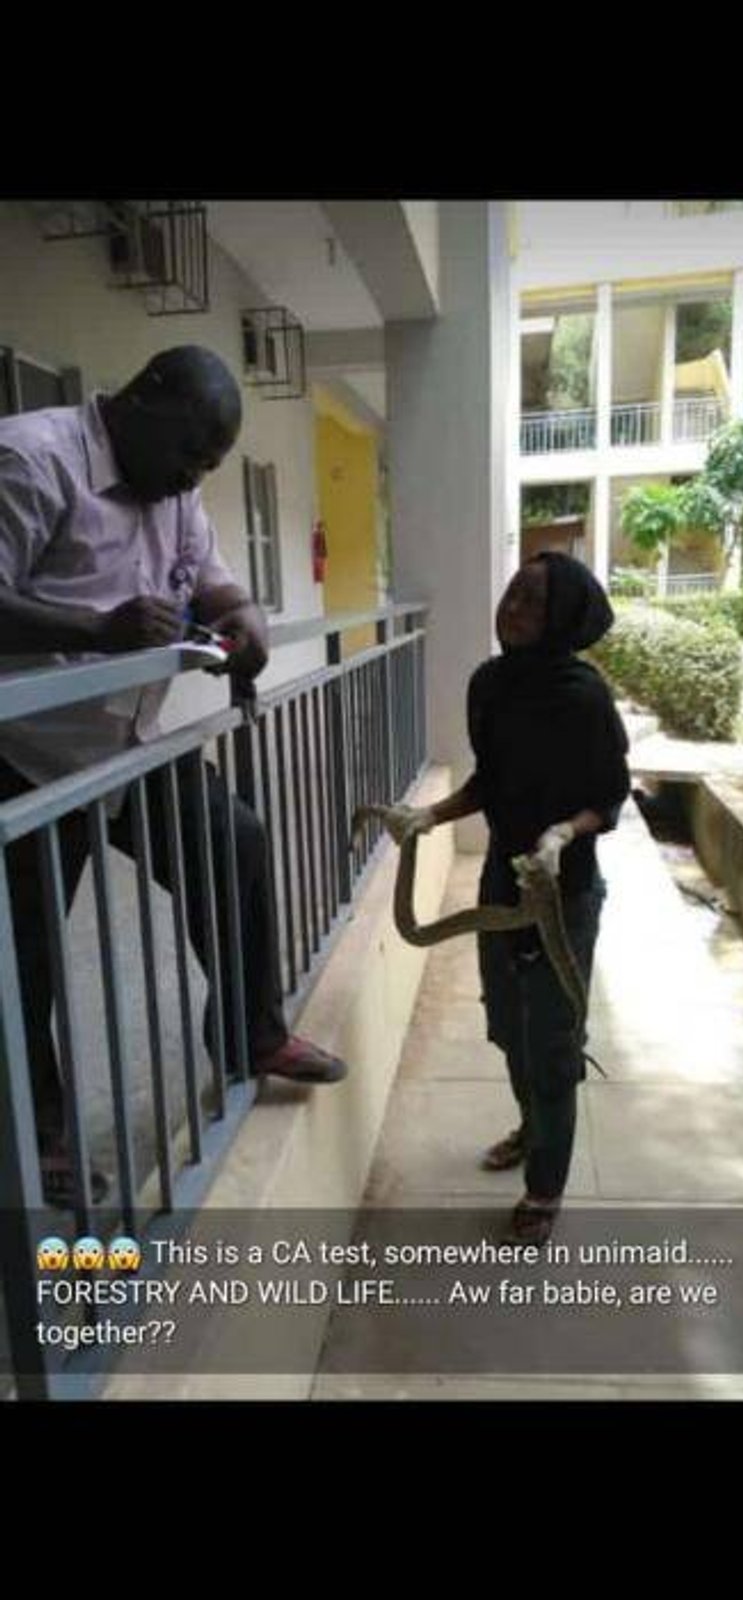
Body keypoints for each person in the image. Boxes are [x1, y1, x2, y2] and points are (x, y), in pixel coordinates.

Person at [0, 345, 347, 1207]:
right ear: (141, 399)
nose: (194, 477)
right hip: (20, 758)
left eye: (210, 466)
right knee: (24, 952)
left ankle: (250, 1034)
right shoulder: (32, 458)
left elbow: (222, 591)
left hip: (128, 742)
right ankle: (39, 1135)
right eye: (190, 454)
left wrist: (247, 624)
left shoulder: (178, 493)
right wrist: (94, 628)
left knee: (233, 840)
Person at [394, 552, 630, 1244]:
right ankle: (534, 1128)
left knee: (553, 1044)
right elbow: (490, 781)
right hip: (502, 882)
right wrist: (430, 816)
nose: (512, 611)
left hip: (564, 888)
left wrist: (563, 833)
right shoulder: (489, 684)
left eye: (531, 602)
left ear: (562, 618)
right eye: (511, 596)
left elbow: (609, 802)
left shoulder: (584, 696)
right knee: (506, 1025)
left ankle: (546, 1188)